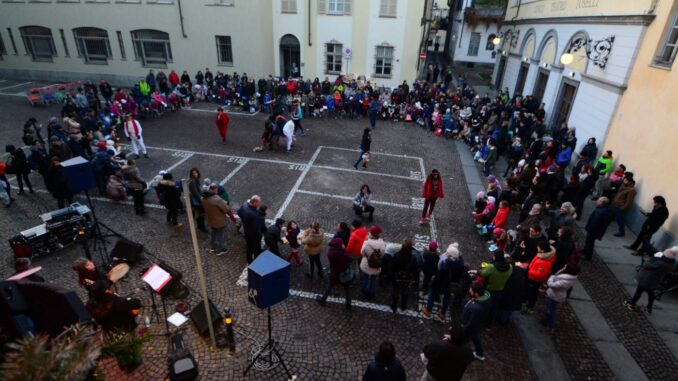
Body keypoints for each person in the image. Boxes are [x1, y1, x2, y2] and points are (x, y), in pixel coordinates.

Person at [624, 247, 677, 315]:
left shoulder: (659, 263)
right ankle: (649, 307)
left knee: (638, 292)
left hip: (646, 280)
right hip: (655, 281)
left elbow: (646, 265)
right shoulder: (673, 264)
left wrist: (653, 259)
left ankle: (632, 304)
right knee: (650, 293)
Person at [316, 237, 353, 310]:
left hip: (335, 272)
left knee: (330, 286)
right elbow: (350, 259)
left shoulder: (331, 252)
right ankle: (348, 304)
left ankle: (323, 299)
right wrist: (344, 250)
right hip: (343, 272)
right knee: (346, 289)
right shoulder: (342, 253)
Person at [479, 249, 513, 326]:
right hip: (500, 290)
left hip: (489, 290)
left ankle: (482, 321)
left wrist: (480, 270)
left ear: (495, 257)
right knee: (494, 308)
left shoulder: (491, 267)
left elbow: (483, 274)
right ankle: (490, 324)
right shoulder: (510, 267)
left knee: (485, 306)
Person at [544, 263, 580, 333]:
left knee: (552, 311)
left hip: (555, 296)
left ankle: (550, 326)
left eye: (566, 266)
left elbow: (552, 284)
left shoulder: (565, 281)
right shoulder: (567, 276)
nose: (565, 266)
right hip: (553, 294)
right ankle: (547, 320)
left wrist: (551, 277)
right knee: (550, 308)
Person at [523, 241, 556, 315]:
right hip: (531, 278)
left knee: (532, 294)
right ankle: (525, 302)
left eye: (538, 247)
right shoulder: (541, 255)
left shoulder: (545, 262)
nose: (537, 248)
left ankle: (529, 308)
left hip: (535, 280)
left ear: (542, 250)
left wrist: (529, 271)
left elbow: (539, 274)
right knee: (529, 291)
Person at [462, 282, 490, 361]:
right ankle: (479, 353)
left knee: (462, 341)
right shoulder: (483, 299)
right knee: (475, 337)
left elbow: (471, 322)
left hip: (469, 327)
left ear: (476, 294)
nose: (469, 291)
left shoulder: (477, 308)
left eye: (471, 290)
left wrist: (463, 328)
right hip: (476, 326)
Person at [202, 183, 231, 256]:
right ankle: (219, 249)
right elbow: (227, 209)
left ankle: (213, 247)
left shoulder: (203, 198)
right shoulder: (217, 199)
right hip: (219, 220)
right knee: (220, 235)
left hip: (210, 219)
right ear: (215, 189)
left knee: (213, 233)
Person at [391, 239, 418, 313]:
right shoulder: (413, 257)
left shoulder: (396, 255)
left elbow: (392, 267)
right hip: (407, 278)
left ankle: (394, 307)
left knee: (395, 292)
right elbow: (414, 270)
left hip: (397, 277)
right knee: (405, 292)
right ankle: (403, 306)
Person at [237, 195, 265, 264]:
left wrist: (244, 220)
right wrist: (260, 235)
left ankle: (251, 257)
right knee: (251, 247)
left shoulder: (244, 205)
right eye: (259, 203)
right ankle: (252, 258)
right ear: (254, 203)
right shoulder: (254, 214)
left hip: (247, 230)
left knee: (250, 246)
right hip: (252, 234)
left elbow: (238, 212)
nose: (259, 204)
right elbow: (256, 229)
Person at [360, 225, 385, 298]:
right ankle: (372, 292)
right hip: (377, 265)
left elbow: (362, 253)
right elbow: (382, 253)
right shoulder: (382, 243)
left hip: (367, 264)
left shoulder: (367, 243)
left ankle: (365, 291)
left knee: (366, 277)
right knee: (374, 278)